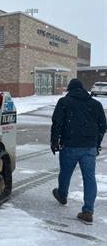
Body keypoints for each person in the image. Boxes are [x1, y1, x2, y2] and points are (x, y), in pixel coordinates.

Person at [50, 78, 106, 224]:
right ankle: (88, 210)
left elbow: (57, 123)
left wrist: (54, 141)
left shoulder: (64, 102)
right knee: (89, 178)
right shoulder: (96, 104)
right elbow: (103, 126)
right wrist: (97, 143)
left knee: (65, 172)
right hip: (89, 147)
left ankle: (62, 195)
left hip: (70, 145)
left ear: (70, 89)